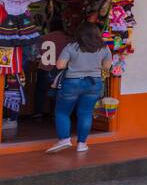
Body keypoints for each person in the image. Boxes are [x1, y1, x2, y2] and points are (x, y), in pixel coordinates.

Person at [46, 22, 111, 154]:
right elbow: (106, 67)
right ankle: (82, 144)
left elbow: (60, 66)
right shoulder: (104, 48)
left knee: (62, 112)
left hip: (72, 82)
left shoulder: (71, 47)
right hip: (94, 83)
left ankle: (64, 139)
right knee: (85, 113)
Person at [33, 17, 70, 118]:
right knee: (58, 92)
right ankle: (54, 113)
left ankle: (38, 113)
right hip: (60, 70)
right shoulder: (67, 39)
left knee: (40, 91)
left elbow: (38, 53)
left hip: (45, 67)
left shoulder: (43, 38)